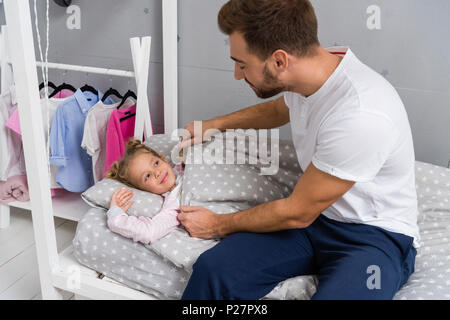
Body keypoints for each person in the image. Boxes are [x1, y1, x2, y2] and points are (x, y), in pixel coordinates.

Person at [177, 0, 420, 300]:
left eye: (242, 64)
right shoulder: (314, 70)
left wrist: (217, 224)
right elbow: (280, 109)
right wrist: (214, 124)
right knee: (215, 270)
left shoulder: (362, 115)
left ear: (279, 61)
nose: (238, 75)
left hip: (374, 236)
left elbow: (296, 213)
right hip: (318, 221)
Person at [104, 139, 183, 245]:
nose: (157, 172)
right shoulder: (174, 201)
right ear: (143, 190)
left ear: (162, 159)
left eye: (156, 163)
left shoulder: (183, 165)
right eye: (147, 176)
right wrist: (116, 216)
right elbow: (149, 232)